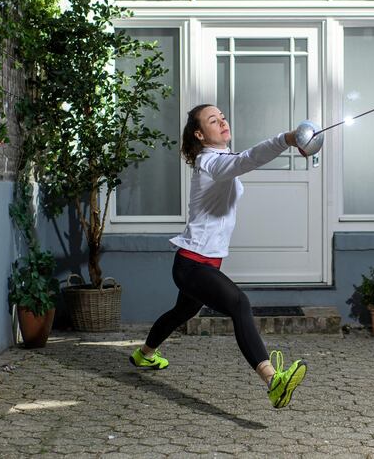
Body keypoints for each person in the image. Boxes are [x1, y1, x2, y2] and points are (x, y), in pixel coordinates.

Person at [129, 104, 308, 409]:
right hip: (192, 264)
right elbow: (248, 159)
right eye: (214, 120)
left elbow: (242, 161)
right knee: (240, 303)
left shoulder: (220, 159)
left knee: (181, 313)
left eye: (223, 117)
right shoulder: (209, 163)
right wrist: (288, 138)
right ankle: (272, 380)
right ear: (200, 134)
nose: (223, 121)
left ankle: (143, 354)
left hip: (202, 262)